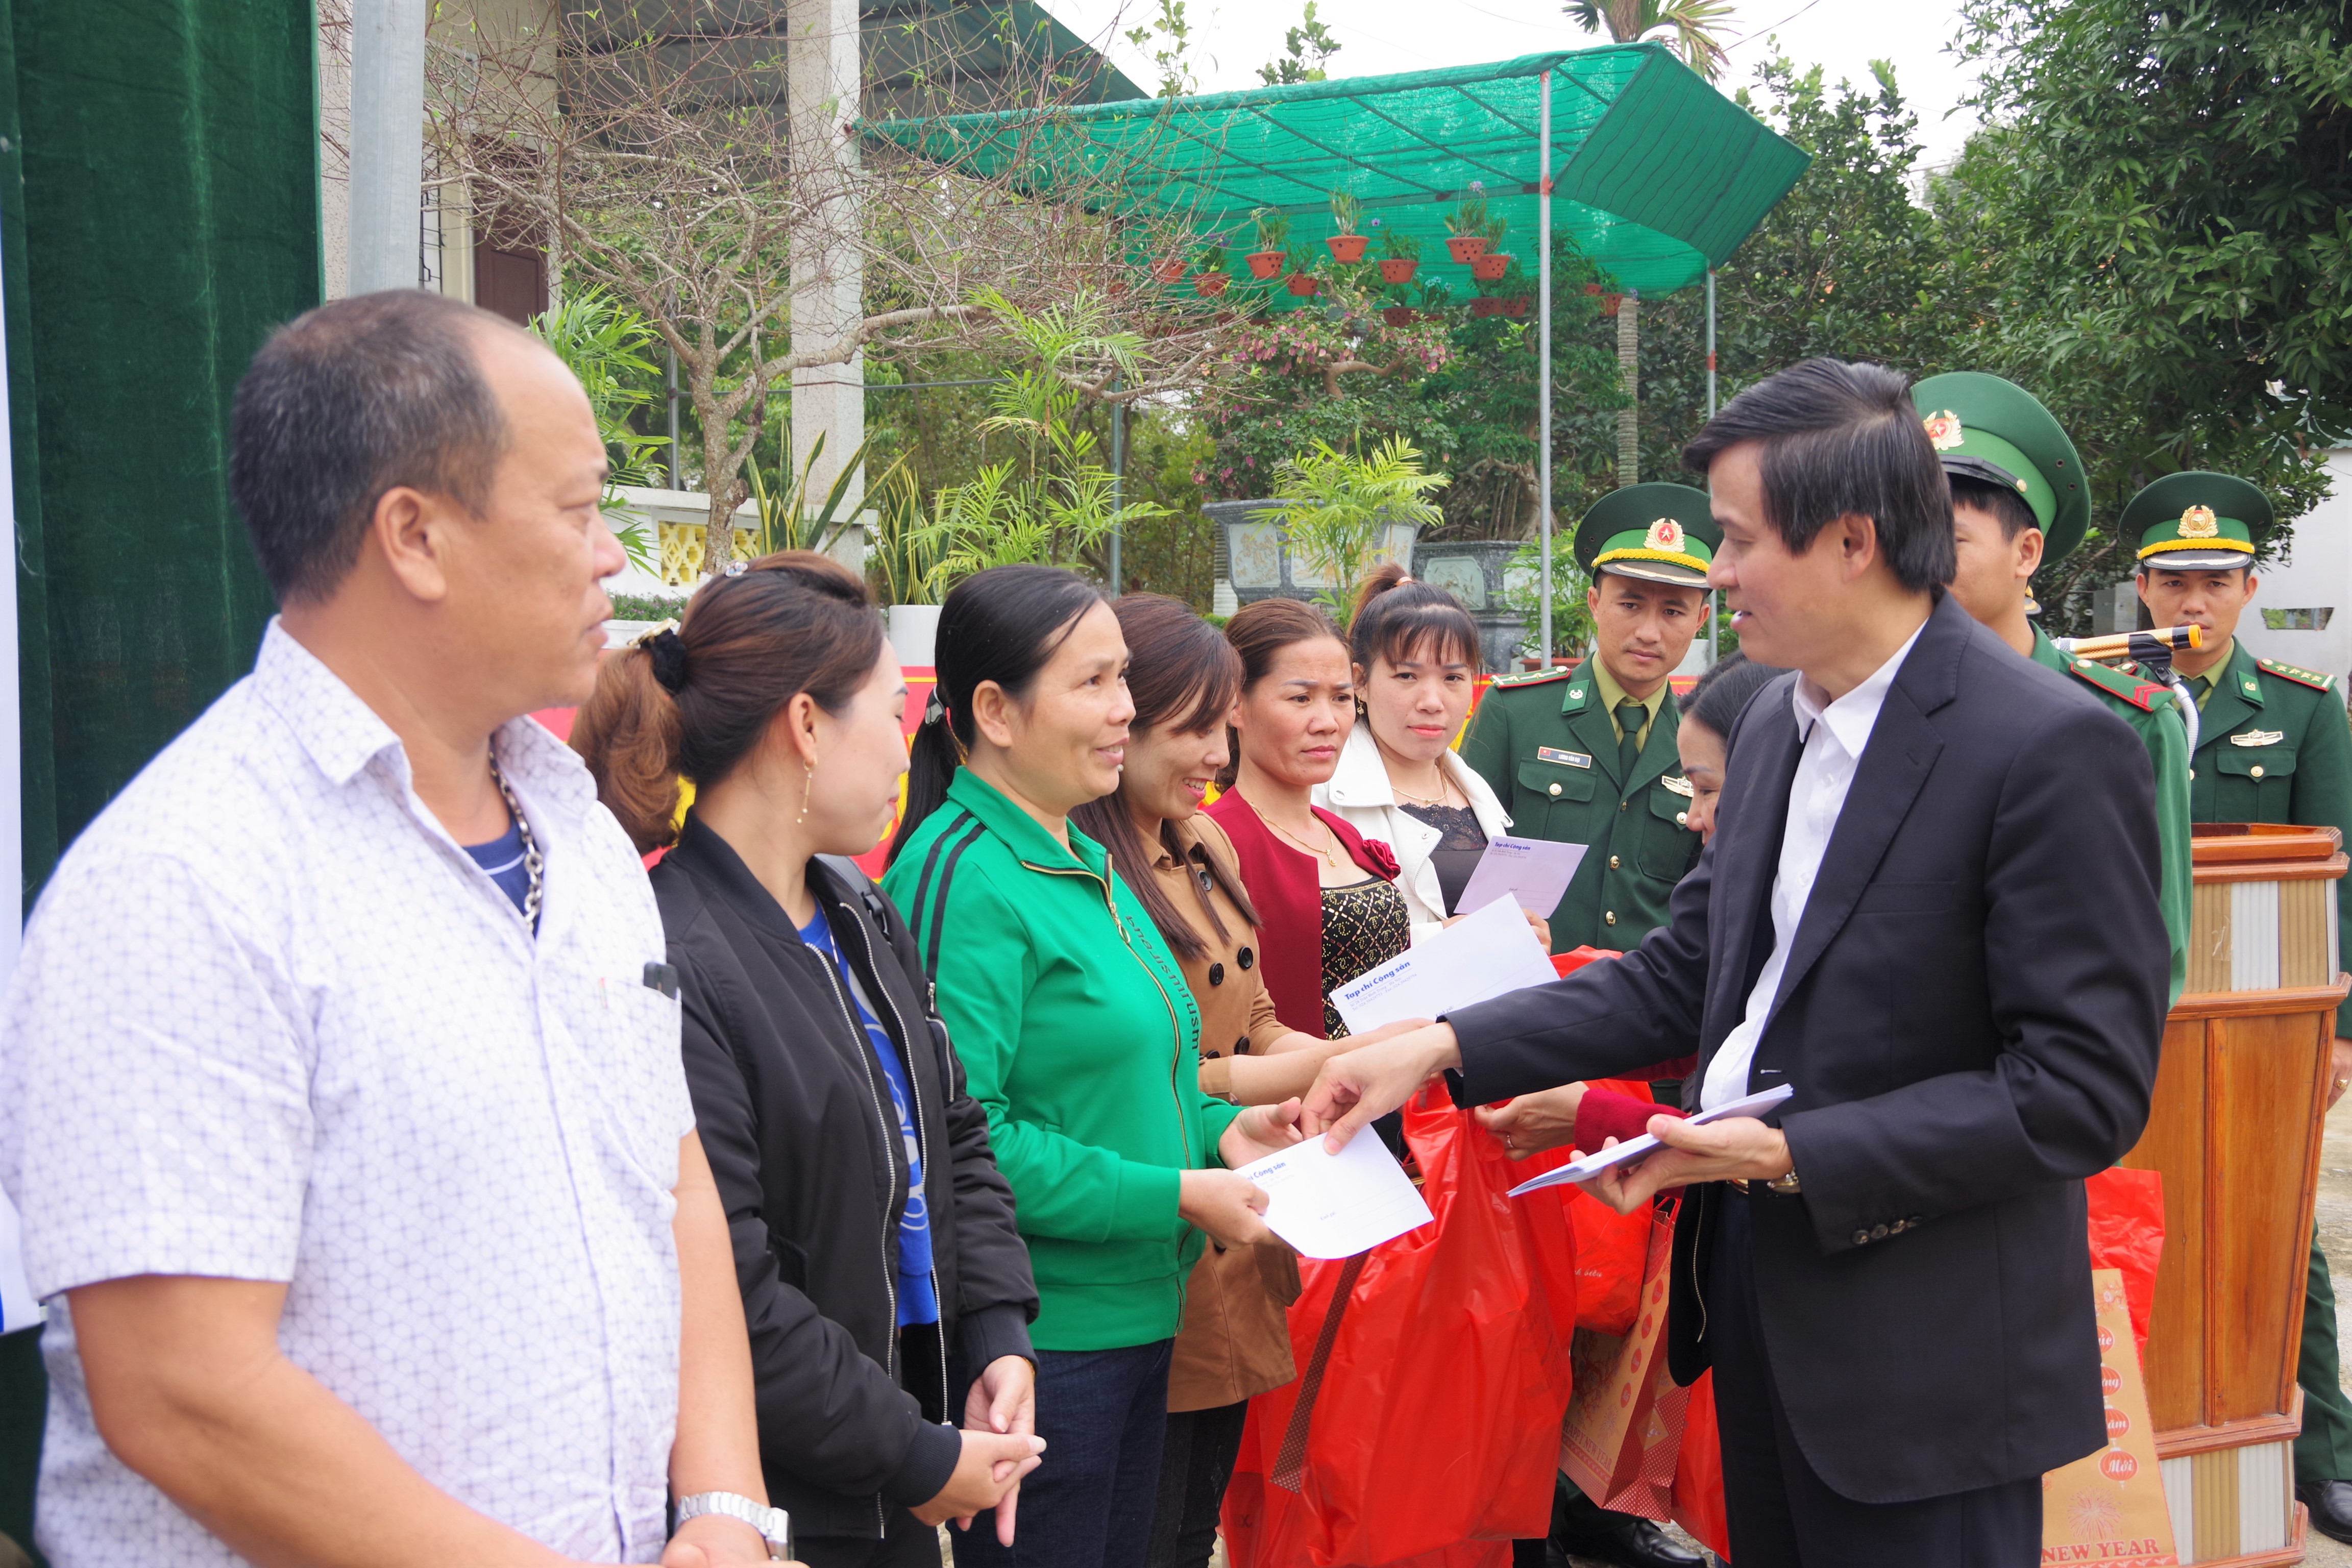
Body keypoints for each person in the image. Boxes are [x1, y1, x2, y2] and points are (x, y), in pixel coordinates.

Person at [1306, 357, 2171, 1567]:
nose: (1715, 574)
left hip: (1928, 1355)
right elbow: (1687, 972)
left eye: (1738, 538)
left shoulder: (2046, 746)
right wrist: (1441, 1046)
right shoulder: (1772, 721)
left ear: (1853, 542)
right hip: (1761, 1306)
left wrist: (1788, 1150)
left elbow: (2081, 1091)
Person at [0, 290, 781, 1566]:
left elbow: (671, 1179)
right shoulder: (184, 878)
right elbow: (180, 1390)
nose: (612, 559)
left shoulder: (582, 833)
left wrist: (725, 1512)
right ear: (415, 536)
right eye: (580, 510)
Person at [569, 552, 1047, 1568]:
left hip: (902, 1458)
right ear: (805, 725)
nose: (906, 745)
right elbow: (731, 1287)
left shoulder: (860, 911)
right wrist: (912, 1454)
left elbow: (954, 1133)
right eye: (892, 712)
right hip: (786, 1511)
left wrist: (998, 1332)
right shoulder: (672, 957)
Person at [882, 566, 1307, 1568]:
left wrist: (1225, 1133)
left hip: (1141, 1319)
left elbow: (1127, 1087)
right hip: (1042, 1344)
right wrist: (1176, 1193)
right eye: (1094, 683)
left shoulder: (1083, 858)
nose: (1125, 710)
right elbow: (962, 1141)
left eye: (1123, 678)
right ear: (995, 711)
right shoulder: (963, 876)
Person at [1069, 593, 1369, 1568]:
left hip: (1235, 1212)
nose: (1215, 752)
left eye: (1220, 724)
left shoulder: (1202, 841)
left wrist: (1348, 1055)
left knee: (1194, 1517)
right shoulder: (1086, 872)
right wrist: (1323, 1063)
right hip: (1157, 1216)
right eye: (1194, 728)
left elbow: (1256, 1013)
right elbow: (1148, 1067)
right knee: (1142, 1525)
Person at [2128, 471, 2352, 1544]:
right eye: (2173, 581)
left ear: (2249, 589)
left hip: (2264, 1023)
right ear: (2140, 587)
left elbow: (2337, 877)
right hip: (2131, 1010)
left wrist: (2338, 1031)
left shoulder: (2303, 707)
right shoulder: (2100, 700)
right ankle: (2142, 1443)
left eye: (2215, 582)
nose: (2193, 603)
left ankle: (2325, 1455)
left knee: (2280, 1224)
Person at [1918, 370, 2192, 1004]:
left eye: (1949, 540)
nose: (1920, 562)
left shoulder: (2131, 723)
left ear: (2026, 553)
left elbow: (2153, 947)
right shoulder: (1864, 707)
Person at [1462, 484, 1718, 951]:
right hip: (1533, 983)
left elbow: (1706, 899)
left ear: (1700, 620)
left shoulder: (1705, 741)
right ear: (1595, 603)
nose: (1649, 632)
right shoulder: (1515, 713)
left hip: (1646, 990)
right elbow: (1461, 860)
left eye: (1673, 611)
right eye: (1630, 604)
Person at [1205, 598, 1411, 1044]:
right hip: (1293, 1083)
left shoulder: (1342, 833)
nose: (1328, 722)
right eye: (1301, 698)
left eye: (1341, 698)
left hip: (1400, 1078)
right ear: (1235, 705)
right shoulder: (1212, 842)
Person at [1315, 567, 1537, 946]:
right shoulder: (1321, 795)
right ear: (1360, 681)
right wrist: (1443, 940)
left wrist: (1525, 937)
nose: (1433, 702)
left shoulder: (1474, 789)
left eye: (1453, 678)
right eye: (1407, 676)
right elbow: (1306, 939)